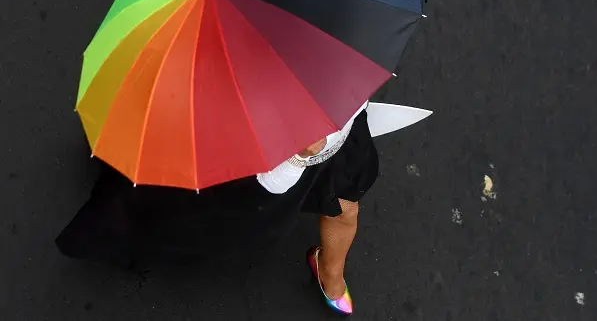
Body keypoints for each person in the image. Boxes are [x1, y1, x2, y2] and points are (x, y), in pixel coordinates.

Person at [57, 101, 378, 316]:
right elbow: (273, 184)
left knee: (345, 209)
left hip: (330, 145)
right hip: (258, 158)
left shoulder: (346, 34)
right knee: (182, 216)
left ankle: (331, 270)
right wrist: (299, 156)